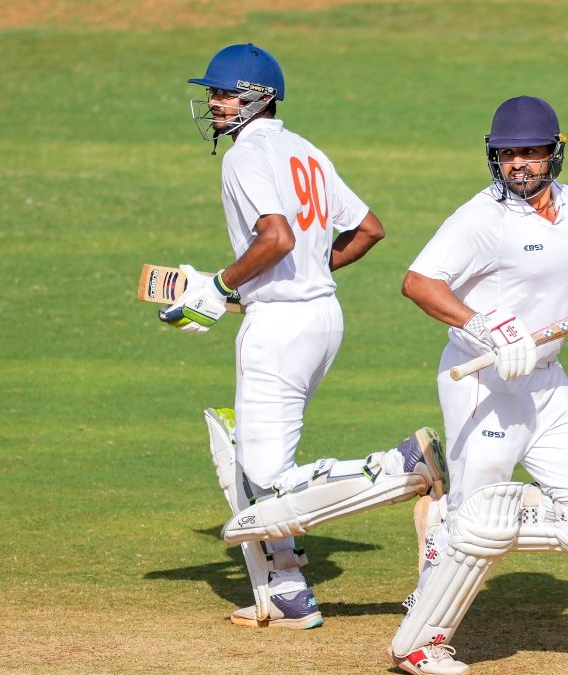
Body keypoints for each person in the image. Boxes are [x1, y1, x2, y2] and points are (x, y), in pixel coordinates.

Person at [159, 43, 447, 631]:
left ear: (256, 98)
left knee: (267, 476)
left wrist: (217, 287)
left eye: (225, 93)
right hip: (322, 320)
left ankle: (398, 466)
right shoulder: (306, 151)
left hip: (281, 326)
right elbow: (369, 230)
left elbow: (277, 238)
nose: (214, 104)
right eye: (212, 93)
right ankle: (288, 591)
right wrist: (299, 278)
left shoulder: (243, 157)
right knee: (264, 460)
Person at [386, 96, 568, 674]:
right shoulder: (482, 219)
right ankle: (421, 642)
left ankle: (447, 525)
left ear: (556, 151)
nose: (519, 165)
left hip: (549, 380)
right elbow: (417, 282)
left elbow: (563, 273)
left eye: (530, 153)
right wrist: (483, 325)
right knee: (479, 519)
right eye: (507, 154)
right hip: (484, 382)